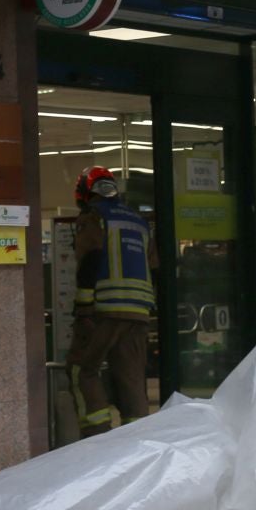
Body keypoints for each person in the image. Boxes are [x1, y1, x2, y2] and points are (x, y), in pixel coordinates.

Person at [67, 166, 157, 438]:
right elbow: (155, 266)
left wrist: (83, 307)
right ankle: (136, 439)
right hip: (139, 312)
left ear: (84, 192)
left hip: (104, 309)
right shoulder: (139, 221)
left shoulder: (94, 217)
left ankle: (97, 435)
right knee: (131, 377)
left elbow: (90, 259)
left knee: (82, 368)